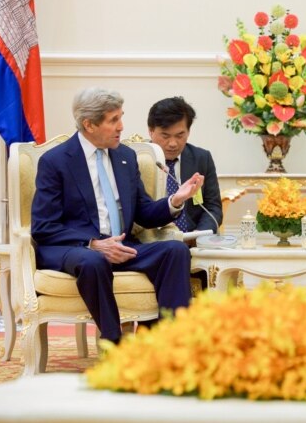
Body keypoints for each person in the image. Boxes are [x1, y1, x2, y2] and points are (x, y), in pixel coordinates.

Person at [31, 87, 205, 344]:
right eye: (113, 120)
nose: (121, 126)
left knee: (175, 251)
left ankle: (168, 344)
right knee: (93, 261)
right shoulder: (56, 161)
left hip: (121, 246)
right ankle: (115, 345)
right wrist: (94, 244)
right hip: (77, 248)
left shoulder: (125, 156)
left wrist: (176, 199)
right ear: (89, 124)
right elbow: (44, 226)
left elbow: (144, 213)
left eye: (120, 117)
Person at [147, 97, 223, 235]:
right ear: (151, 131)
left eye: (180, 135)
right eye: (165, 135)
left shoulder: (201, 158)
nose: (173, 143)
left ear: (188, 131)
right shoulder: (138, 158)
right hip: (151, 240)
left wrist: (200, 234)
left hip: (192, 239)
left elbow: (213, 208)